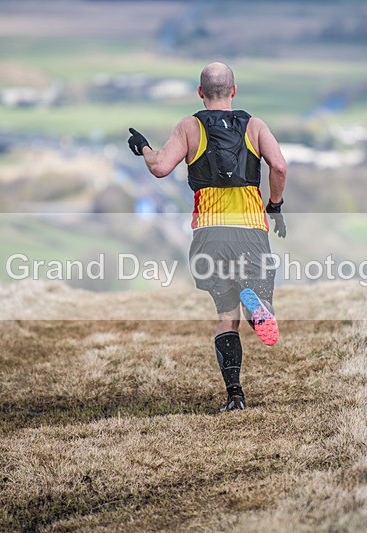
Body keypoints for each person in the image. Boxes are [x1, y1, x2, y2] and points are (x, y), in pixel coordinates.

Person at [127, 62, 287, 412]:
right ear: (234, 91)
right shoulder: (255, 126)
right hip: (250, 231)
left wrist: (143, 148)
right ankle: (256, 305)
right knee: (255, 298)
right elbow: (279, 166)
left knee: (224, 314)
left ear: (200, 92)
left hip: (210, 235)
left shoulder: (189, 126)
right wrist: (275, 205)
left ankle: (235, 395)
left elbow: (159, 168)